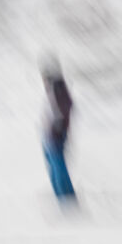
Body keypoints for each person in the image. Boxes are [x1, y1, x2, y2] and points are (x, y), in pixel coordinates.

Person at [40, 55, 75, 200]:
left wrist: (58, 126)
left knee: (57, 164)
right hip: (51, 132)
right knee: (54, 163)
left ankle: (65, 198)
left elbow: (66, 106)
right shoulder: (54, 86)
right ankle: (63, 196)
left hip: (55, 133)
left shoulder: (58, 85)